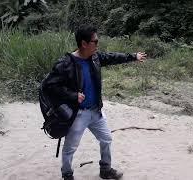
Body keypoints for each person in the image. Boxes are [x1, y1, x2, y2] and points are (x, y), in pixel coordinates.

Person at [48, 25, 147, 180]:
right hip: (78, 114)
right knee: (70, 148)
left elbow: (112, 57)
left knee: (106, 139)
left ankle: (105, 169)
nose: (98, 44)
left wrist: (133, 56)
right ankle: (67, 174)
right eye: (95, 41)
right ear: (84, 43)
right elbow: (50, 86)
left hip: (96, 111)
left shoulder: (95, 57)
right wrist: (72, 95)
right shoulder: (66, 63)